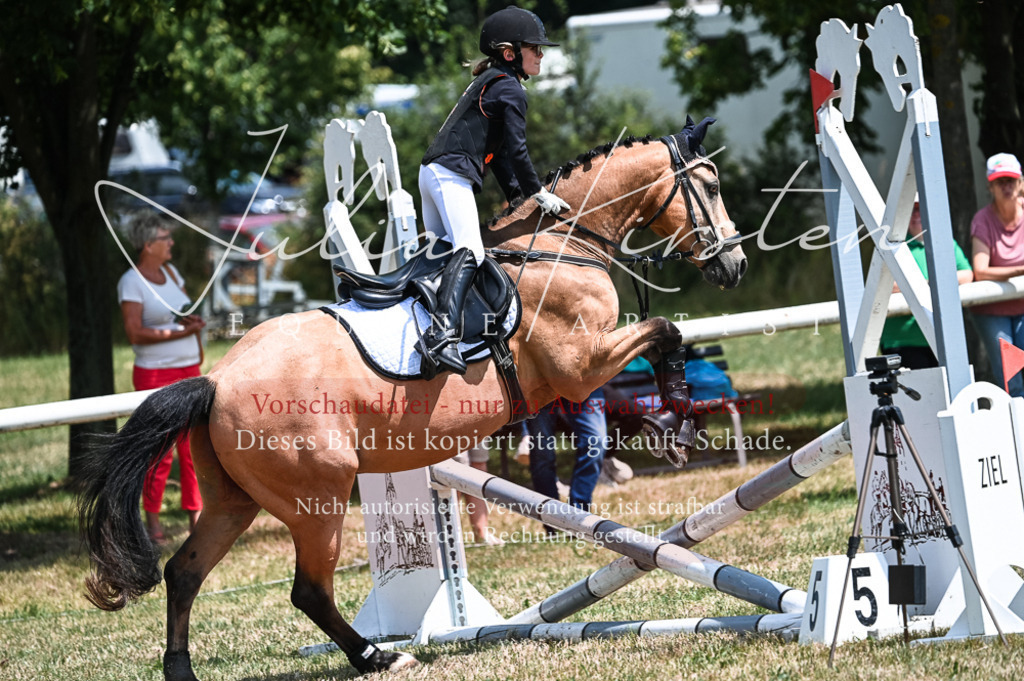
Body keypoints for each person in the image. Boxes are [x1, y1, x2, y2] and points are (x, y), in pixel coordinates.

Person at [417, 5, 569, 379]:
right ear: (509, 52)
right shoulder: (510, 89)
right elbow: (517, 151)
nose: (541, 54)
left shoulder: (493, 81)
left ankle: (422, 327)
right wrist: (537, 194)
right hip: (450, 175)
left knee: (438, 258)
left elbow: (499, 154)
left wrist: (519, 201)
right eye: (535, 48)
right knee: (469, 250)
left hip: (432, 173)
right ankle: (440, 338)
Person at [117, 214, 206, 544]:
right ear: (147, 245)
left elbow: (182, 312)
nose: (171, 242)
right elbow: (135, 333)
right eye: (165, 238)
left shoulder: (171, 272)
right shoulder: (131, 282)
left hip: (188, 368)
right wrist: (180, 332)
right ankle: (152, 521)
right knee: (161, 450)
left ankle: (196, 517)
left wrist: (191, 324)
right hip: (155, 372)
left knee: (194, 447)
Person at [880, 197, 974, 369]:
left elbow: (967, 275)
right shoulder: (891, 245)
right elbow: (885, 287)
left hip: (941, 338)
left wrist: (929, 283)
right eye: (911, 209)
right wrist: (930, 284)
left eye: (919, 209)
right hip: (902, 340)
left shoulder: (946, 244)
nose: (916, 214)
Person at [970, 153, 1024, 396]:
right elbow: (980, 271)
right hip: (993, 311)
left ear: (1020, 183)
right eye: (1000, 181)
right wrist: (1019, 271)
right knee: (1012, 381)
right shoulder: (982, 220)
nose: (1007, 186)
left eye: (1011, 180)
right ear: (990, 186)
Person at [525, 389, 608, 515]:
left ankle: (578, 515)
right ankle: (551, 519)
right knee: (542, 454)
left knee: (596, 443)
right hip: (540, 383)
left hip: (583, 381)